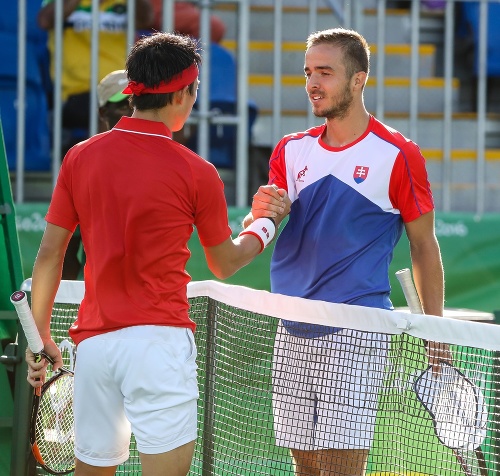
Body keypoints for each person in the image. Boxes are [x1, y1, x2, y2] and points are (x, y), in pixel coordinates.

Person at [25, 31, 289, 475]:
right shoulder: (197, 172)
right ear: (185, 93)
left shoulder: (79, 157)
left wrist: (43, 336)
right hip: (159, 347)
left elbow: (50, 255)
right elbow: (225, 262)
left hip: (94, 347)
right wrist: (265, 225)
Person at [244, 28, 447, 476]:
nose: (313, 83)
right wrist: (262, 215)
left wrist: (437, 333)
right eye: (308, 73)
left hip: (356, 326)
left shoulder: (398, 154)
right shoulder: (290, 149)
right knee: (305, 463)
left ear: (358, 80)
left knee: (341, 465)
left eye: (326, 73)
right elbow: (267, 219)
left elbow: (423, 245)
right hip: (293, 321)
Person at [37, 0, 154, 154]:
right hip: (75, 91)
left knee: (168, 106)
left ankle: (151, 170)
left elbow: (146, 20)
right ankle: (100, 166)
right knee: (114, 106)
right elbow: (44, 21)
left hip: (124, 84)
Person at [61, 69, 133, 280]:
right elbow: (65, 250)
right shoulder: (83, 162)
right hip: (99, 302)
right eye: (123, 106)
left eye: (137, 105)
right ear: (103, 113)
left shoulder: (167, 161)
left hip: (157, 302)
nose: (132, 113)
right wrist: (66, 304)